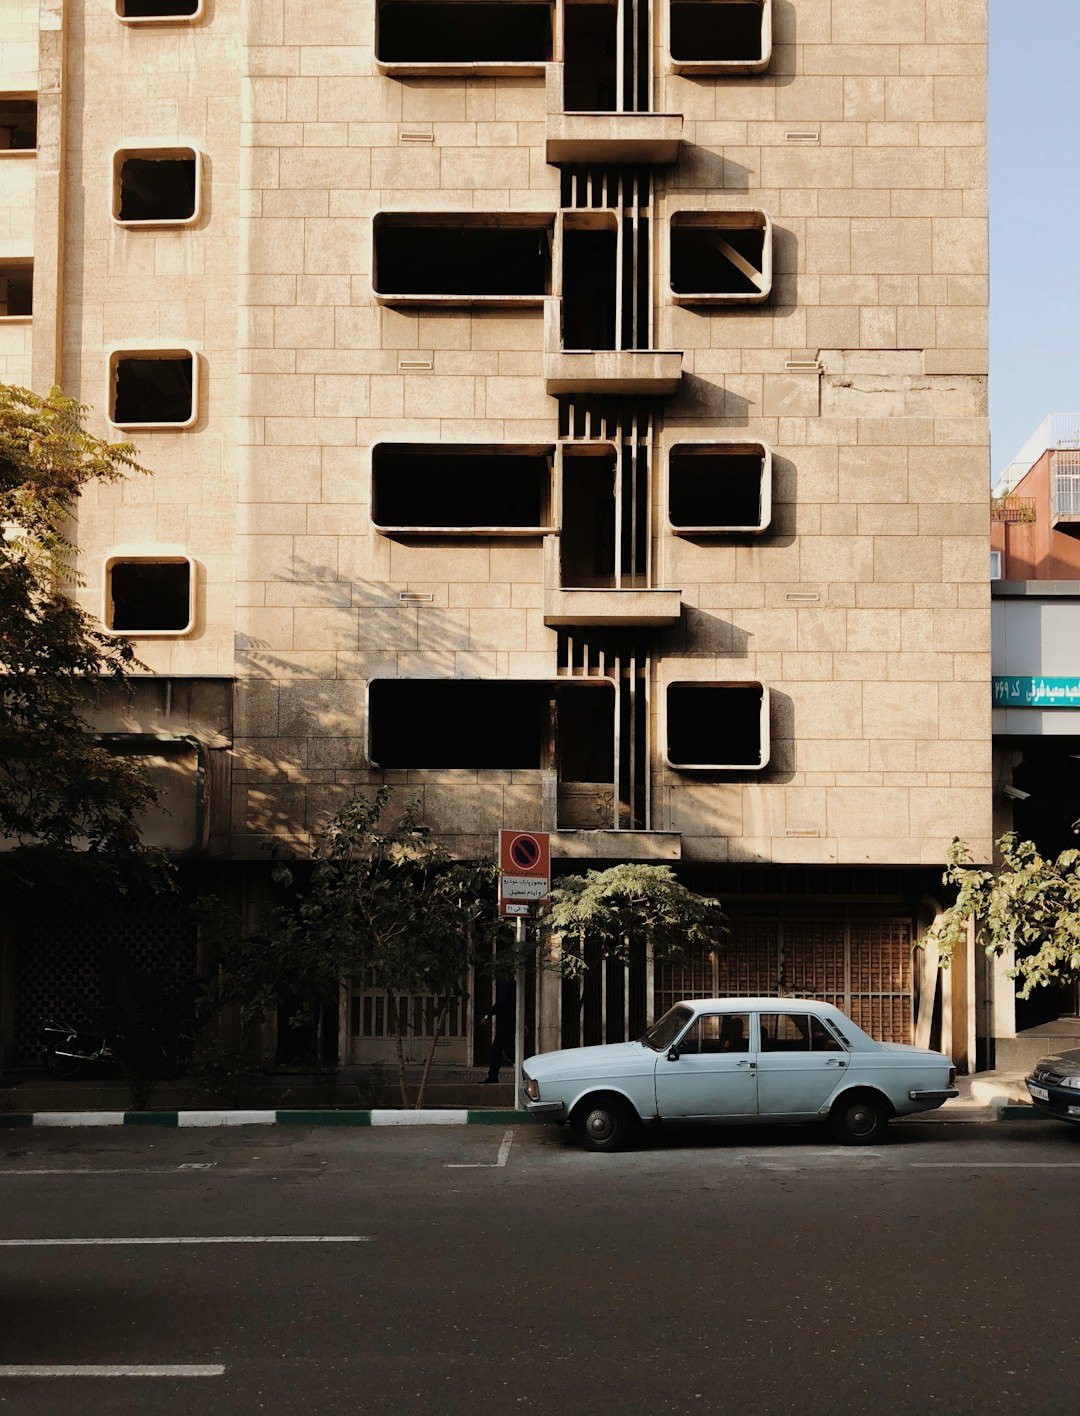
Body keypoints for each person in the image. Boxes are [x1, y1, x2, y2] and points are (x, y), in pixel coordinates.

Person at [479, 975, 516, 1083]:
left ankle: (493, 1076)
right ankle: (493, 1076)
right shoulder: (510, 981)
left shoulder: (503, 981)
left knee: (506, 1051)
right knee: (499, 1051)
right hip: (509, 1022)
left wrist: (488, 1015)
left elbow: (501, 1002)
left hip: (505, 1023)